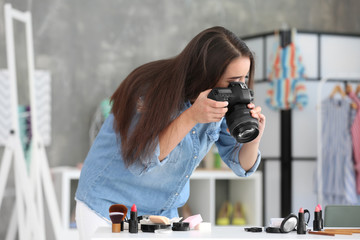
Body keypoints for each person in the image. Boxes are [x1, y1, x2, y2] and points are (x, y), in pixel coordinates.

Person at [75, 26, 266, 239]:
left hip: (162, 215)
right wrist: (192, 116)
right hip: (112, 208)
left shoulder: (222, 99)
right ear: (206, 73)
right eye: (232, 82)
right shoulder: (149, 90)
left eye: (244, 78)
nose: (240, 88)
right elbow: (143, 159)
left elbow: (241, 167)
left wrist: (252, 139)